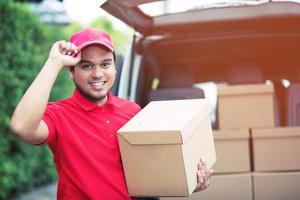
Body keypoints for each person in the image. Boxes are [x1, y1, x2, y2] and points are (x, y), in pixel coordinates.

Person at [10, 27, 213, 200]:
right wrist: (54, 62)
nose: (97, 74)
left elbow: (152, 170)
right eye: (86, 66)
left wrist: (188, 180)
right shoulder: (59, 114)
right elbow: (21, 128)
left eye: (105, 64)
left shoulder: (132, 111)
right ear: (71, 71)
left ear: (114, 68)